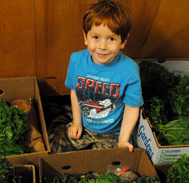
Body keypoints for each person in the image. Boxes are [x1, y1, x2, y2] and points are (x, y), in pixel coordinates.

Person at [49, 0, 143, 153]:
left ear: (123, 41)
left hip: (112, 134)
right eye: (96, 37)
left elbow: (132, 107)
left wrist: (123, 139)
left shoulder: (130, 70)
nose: (102, 46)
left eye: (111, 39)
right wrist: (77, 122)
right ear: (85, 37)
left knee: (107, 164)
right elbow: (75, 91)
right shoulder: (76, 60)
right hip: (84, 126)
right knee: (55, 145)